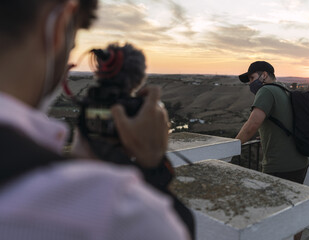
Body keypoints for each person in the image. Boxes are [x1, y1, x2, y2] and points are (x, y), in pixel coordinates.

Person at [0, 0, 191, 239]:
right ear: (58, 24)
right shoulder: (113, 213)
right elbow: (179, 229)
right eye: (72, 44)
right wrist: (152, 165)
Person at [236, 61, 309, 240]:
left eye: (252, 78)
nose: (250, 84)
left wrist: (230, 146)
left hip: (279, 164)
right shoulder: (285, 90)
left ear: (265, 75)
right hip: (300, 161)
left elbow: (252, 125)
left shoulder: (266, 91)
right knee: (294, 206)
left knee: (270, 213)